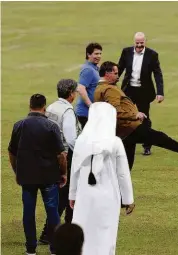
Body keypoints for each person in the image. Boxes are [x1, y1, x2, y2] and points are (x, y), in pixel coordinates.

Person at [94, 61, 178, 170]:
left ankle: (118, 191)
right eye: (115, 73)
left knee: (126, 165)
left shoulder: (101, 88)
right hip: (129, 128)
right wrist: (134, 115)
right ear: (107, 73)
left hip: (124, 132)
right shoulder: (109, 89)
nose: (118, 76)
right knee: (161, 138)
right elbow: (115, 111)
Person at [69, 102, 135, 255]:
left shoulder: (81, 140)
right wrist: (128, 199)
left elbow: (74, 170)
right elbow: (123, 173)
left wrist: (72, 194)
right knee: (106, 232)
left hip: (84, 194)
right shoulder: (115, 142)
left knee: (83, 230)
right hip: (108, 195)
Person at [8, 94, 67, 255]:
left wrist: (17, 171)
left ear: (30, 106)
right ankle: (54, 248)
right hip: (49, 176)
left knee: (28, 211)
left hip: (27, 176)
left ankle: (31, 248)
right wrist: (63, 173)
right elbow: (61, 154)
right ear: (44, 107)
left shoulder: (18, 125)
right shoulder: (51, 126)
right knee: (52, 211)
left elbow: (11, 152)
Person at [39, 79, 82, 244]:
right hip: (66, 157)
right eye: (75, 92)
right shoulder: (67, 111)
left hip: (50, 156)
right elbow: (71, 139)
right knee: (69, 195)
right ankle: (60, 233)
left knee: (58, 197)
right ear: (71, 94)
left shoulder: (51, 107)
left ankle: (47, 233)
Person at [118, 32, 164, 156]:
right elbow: (119, 68)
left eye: (141, 43)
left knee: (144, 117)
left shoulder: (152, 55)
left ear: (145, 42)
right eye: (137, 43)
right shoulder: (126, 52)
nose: (139, 45)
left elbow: (157, 74)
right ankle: (124, 142)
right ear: (134, 42)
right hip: (129, 90)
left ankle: (147, 145)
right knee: (125, 116)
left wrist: (160, 92)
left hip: (144, 91)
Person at [75, 42, 102, 128]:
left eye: (100, 54)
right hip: (85, 114)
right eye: (96, 54)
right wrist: (91, 106)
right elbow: (81, 88)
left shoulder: (95, 68)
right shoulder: (88, 70)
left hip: (90, 114)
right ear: (88, 54)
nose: (99, 56)